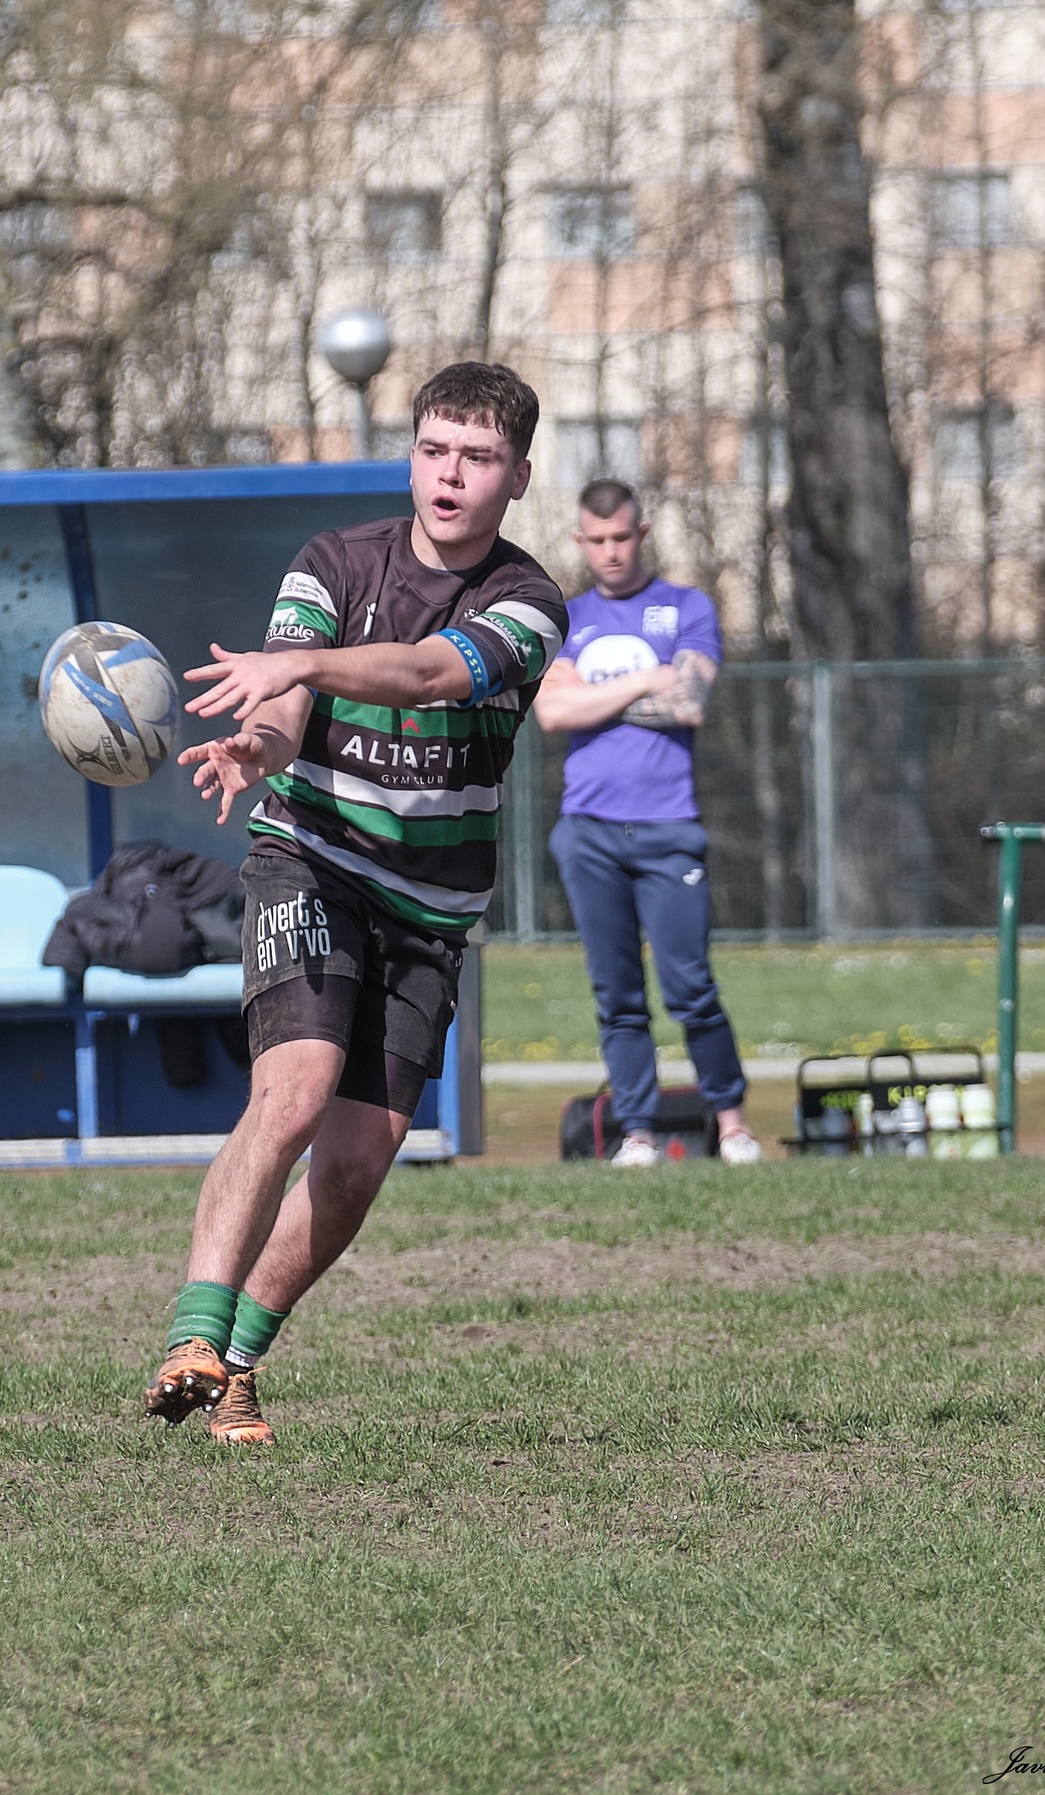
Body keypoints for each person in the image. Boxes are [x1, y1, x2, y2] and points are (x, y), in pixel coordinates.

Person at [141, 361, 568, 1446]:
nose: (450, 475)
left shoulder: (528, 604)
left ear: (517, 476)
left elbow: (425, 675)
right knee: (293, 1095)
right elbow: (281, 703)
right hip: (311, 857)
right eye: (434, 451)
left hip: (428, 911)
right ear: (410, 457)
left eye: (477, 458)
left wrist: (305, 669)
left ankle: (236, 1367)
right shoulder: (331, 562)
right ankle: (192, 1334)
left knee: (354, 1164)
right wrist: (256, 744)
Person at [533, 478, 761, 1168]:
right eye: (597, 540)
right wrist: (642, 680)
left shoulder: (686, 607)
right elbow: (551, 713)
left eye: (621, 537)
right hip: (588, 831)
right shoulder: (567, 618)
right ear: (580, 541)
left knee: (690, 987)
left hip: (668, 829)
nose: (610, 551)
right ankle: (637, 1133)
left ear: (643, 534)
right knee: (618, 995)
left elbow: (688, 703)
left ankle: (733, 1126)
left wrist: (592, 695)